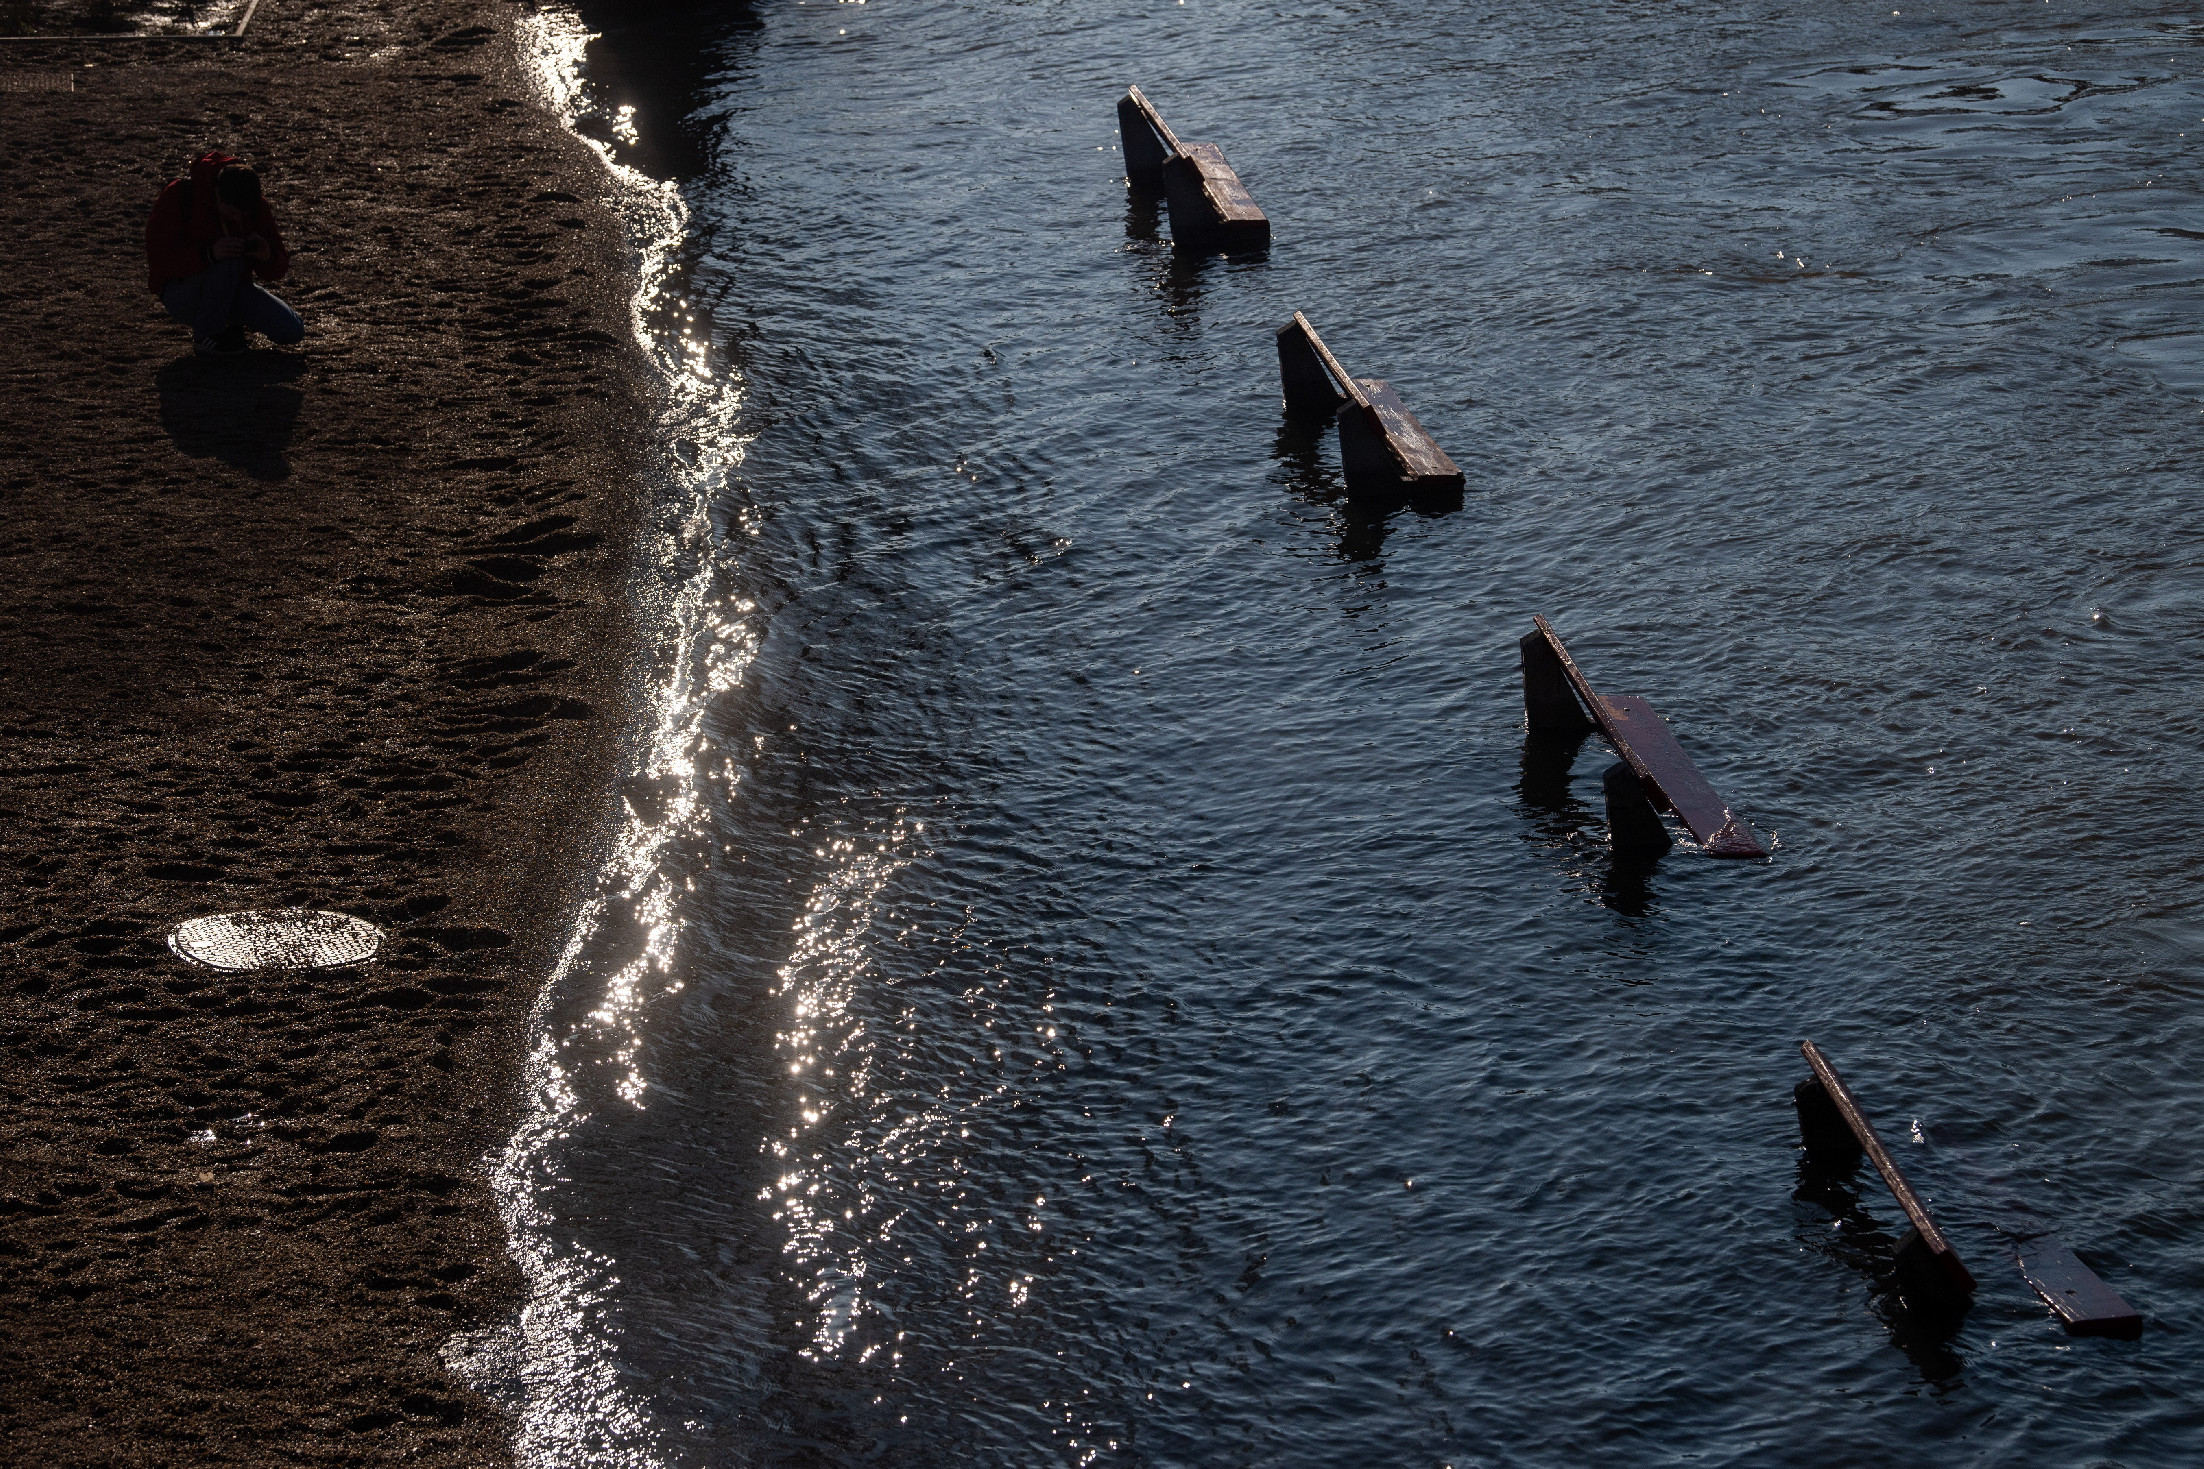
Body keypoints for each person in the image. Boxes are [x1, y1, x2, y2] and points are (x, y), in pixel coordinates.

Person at [145, 151, 304, 357]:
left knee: (292, 330)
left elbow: (277, 269)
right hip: (183, 294)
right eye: (231, 213)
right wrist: (209, 255)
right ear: (217, 193)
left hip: (232, 290)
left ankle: (227, 326)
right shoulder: (180, 195)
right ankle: (207, 335)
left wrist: (267, 256)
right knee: (229, 261)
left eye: (242, 215)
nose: (237, 218)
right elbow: (159, 262)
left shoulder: (256, 206)